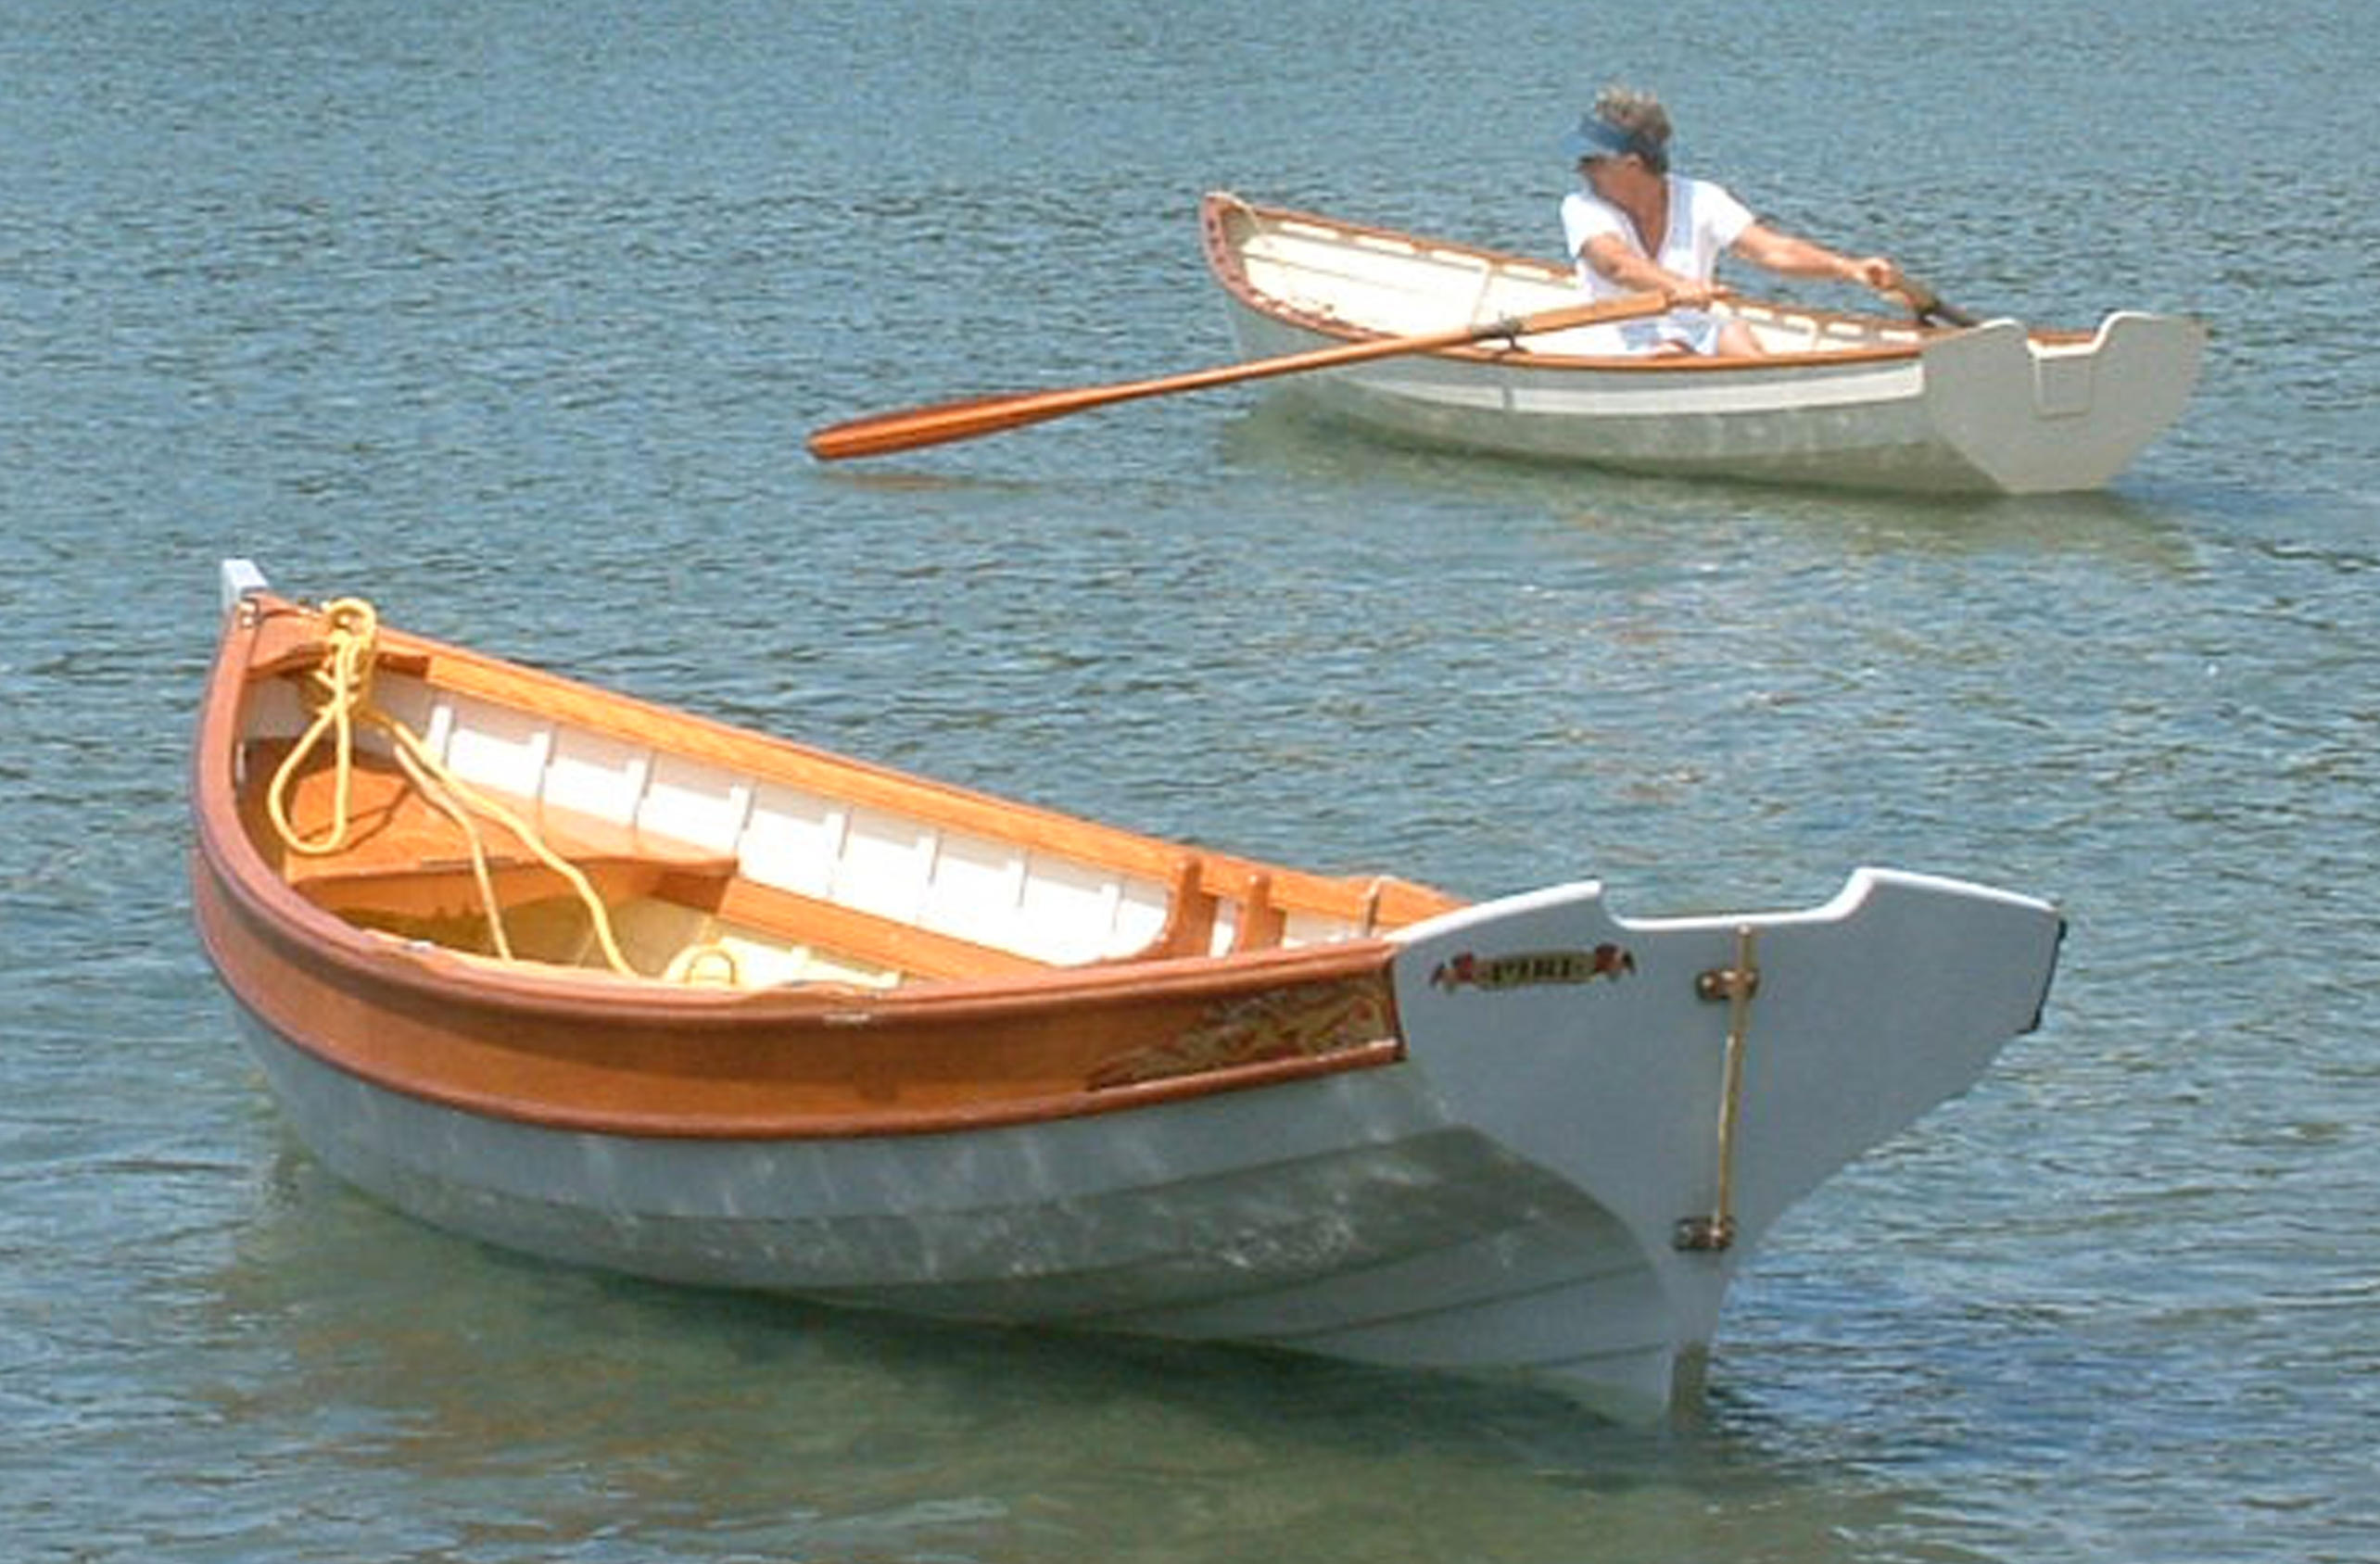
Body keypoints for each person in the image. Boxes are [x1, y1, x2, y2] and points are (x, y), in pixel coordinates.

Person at [1559, 86, 1905, 357]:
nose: (1581, 169)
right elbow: (1617, 265)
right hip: (1617, 337)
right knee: (1673, 353)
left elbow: (1772, 250)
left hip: (1693, 325)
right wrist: (1676, 287)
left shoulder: (1702, 198)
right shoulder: (1581, 207)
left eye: (1590, 161)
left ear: (1631, 164)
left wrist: (1849, 268)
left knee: (1735, 334)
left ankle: (1778, 393)